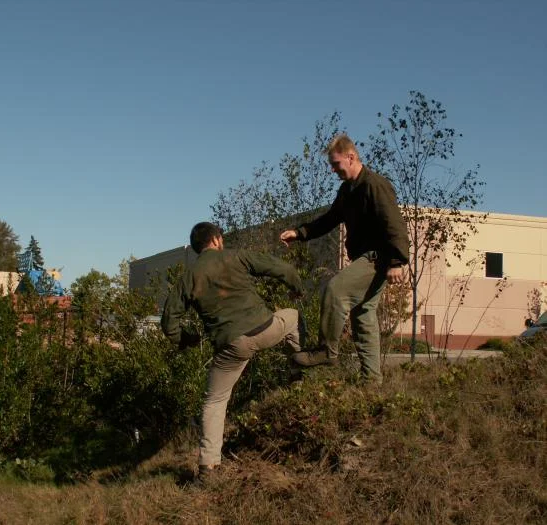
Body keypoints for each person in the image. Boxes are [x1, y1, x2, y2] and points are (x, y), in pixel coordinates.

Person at [161, 222, 305, 478]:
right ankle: (301, 368)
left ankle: (208, 467)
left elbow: (168, 322)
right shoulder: (237, 255)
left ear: (197, 248)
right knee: (293, 317)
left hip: (230, 346)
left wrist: (187, 339)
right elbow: (282, 268)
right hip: (264, 329)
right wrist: (297, 289)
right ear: (216, 240)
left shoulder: (189, 277)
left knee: (214, 401)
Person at [280, 134, 409, 383]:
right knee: (363, 315)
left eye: (336, 163)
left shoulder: (374, 184)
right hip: (365, 257)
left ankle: (326, 351)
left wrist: (396, 261)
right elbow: (330, 219)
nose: (333, 169)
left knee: (335, 290)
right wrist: (300, 233)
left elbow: (394, 224)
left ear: (351, 157)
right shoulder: (347, 190)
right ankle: (372, 380)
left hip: (379, 257)